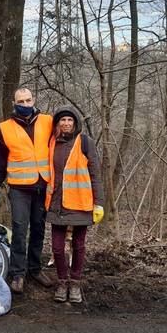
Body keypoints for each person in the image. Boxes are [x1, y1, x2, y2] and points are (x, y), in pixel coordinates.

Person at [0, 87, 54, 294]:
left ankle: (35, 269)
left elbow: (59, 145)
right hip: (19, 188)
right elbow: (0, 159)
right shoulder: (6, 128)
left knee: (38, 228)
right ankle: (18, 273)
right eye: (21, 101)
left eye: (28, 100)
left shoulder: (47, 121)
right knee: (19, 230)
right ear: (14, 103)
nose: (26, 105)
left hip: (42, 185)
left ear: (33, 100)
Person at [45, 106, 105, 303]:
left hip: (81, 203)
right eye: (62, 120)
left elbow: (95, 174)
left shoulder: (85, 142)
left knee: (79, 246)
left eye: (70, 120)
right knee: (57, 248)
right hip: (57, 204)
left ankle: (76, 284)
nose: (66, 123)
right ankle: (62, 283)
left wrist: (99, 203)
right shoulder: (52, 143)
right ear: (57, 124)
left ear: (75, 123)